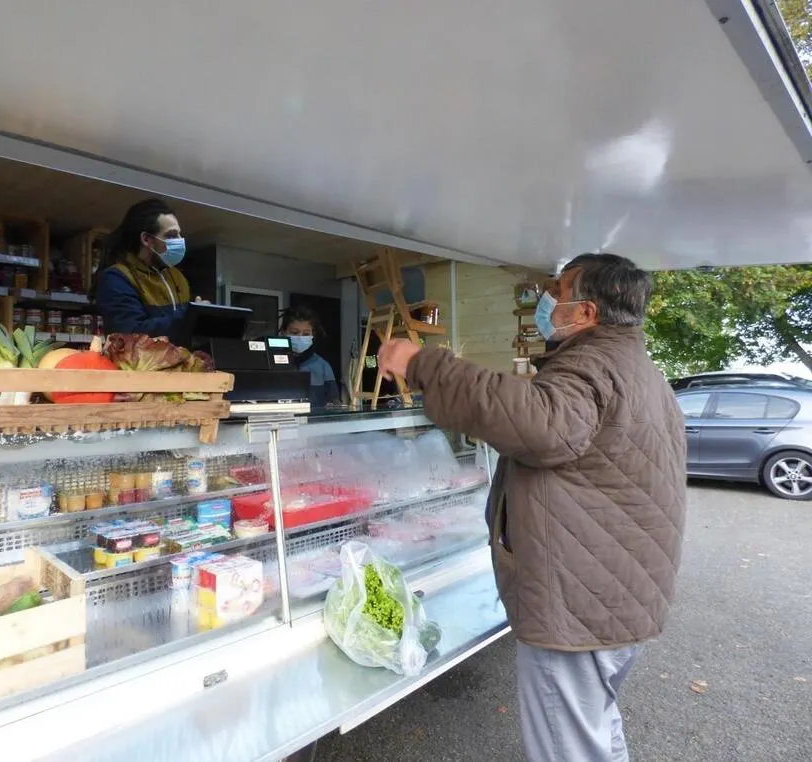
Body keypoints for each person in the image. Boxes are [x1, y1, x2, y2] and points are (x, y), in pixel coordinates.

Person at [378, 253, 686, 762]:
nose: (548, 301)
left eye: (558, 292)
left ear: (585, 312)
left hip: (579, 599)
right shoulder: (636, 368)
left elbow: (539, 424)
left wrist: (422, 363)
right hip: (617, 590)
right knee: (595, 725)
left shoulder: (591, 365)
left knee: (568, 747)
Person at [93, 198, 191, 337]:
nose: (180, 240)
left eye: (179, 234)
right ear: (146, 239)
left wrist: (200, 315)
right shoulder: (117, 278)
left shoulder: (177, 276)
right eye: (171, 235)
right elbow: (130, 333)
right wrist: (188, 317)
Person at [280, 304, 340, 408]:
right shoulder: (271, 363)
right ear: (283, 332)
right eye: (294, 332)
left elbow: (334, 404)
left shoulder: (323, 366)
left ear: (312, 335)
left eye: (306, 334)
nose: (300, 337)